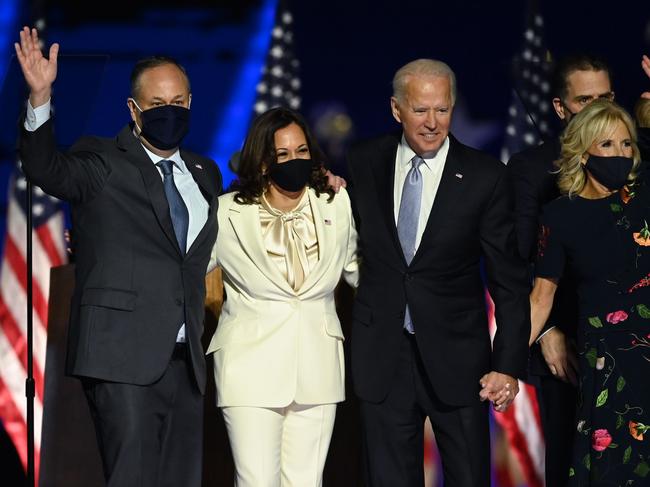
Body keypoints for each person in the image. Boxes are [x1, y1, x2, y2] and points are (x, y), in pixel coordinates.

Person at [15, 27, 222, 486]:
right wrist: (41, 97)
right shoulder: (103, 160)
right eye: (157, 105)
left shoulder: (205, 173)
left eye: (179, 102)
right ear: (134, 110)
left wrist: (323, 187)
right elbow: (47, 167)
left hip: (187, 363)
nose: (170, 112)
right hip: (122, 356)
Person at [345, 58, 530, 487]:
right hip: (383, 358)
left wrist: (507, 365)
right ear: (397, 110)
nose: (432, 122)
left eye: (442, 110)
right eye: (420, 110)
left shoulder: (486, 176)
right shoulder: (364, 161)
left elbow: (509, 281)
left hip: (460, 362)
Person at [205, 107, 359, 486]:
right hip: (249, 368)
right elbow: (184, 270)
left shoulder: (335, 203)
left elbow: (358, 270)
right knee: (257, 480)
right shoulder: (226, 213)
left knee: (307, 480)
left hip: (318, 367)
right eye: (283, 155)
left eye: (302, 151)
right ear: (261, 161)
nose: (295, 161)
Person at [530, 99, 650, 486]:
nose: (621, 154)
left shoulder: (647, 197)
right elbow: (541, 297)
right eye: (607, 145)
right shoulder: (560, 216)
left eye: (627, 144)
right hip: (608, 367)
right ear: (583, 154)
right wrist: (502, 366)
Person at [507, 52, 614, 486]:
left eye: (606, 97)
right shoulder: (533, 169)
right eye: (585, 101)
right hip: (564, 348)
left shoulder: (637, 160)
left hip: (629, 343)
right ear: (559, 107)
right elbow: (516, 261)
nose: (599, 110)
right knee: (569, 468)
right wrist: (547, 332)